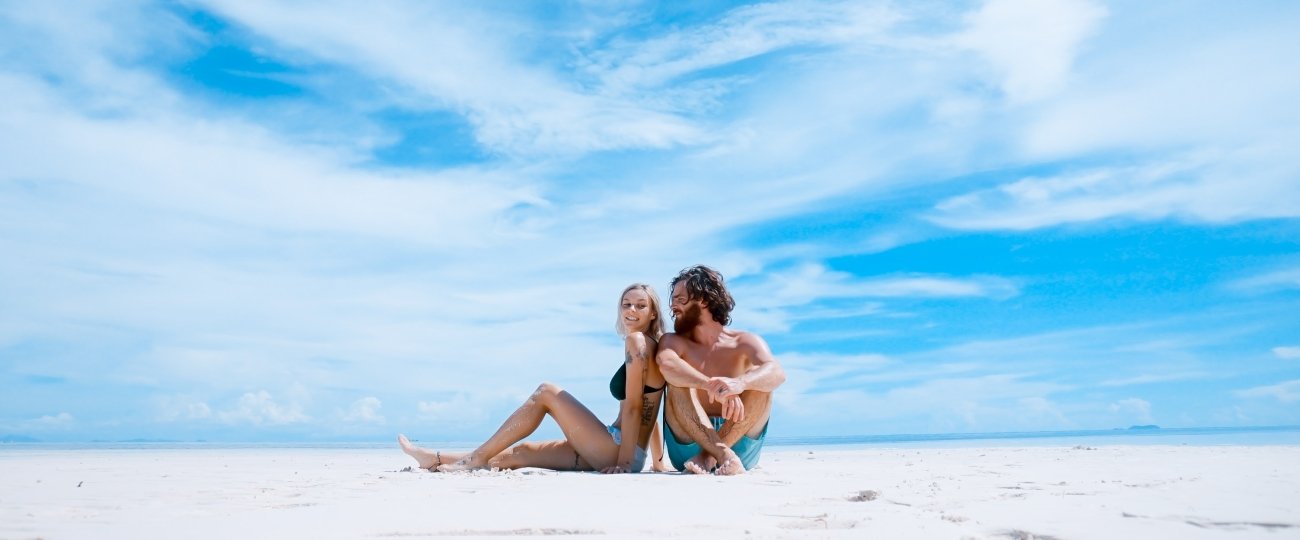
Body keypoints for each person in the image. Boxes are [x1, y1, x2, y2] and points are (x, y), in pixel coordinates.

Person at [398, 283, 673, 473]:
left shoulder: (637, 342)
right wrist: (655, 461)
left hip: (616, 450)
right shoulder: (652, 345)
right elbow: (651, 404)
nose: (631, 311)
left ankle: (475, 458)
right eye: (627, 304)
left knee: (547, 392)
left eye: (640, 306)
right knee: (523, 453)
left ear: (653, 313)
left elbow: (637, 408)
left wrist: (626, 463)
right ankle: (432, 458)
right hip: (620, 447)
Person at [655, 265, 786, 475]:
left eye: (680, 299)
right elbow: (667, 365)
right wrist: (713, 386)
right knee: (678, 382)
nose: (672, 306)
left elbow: (777, 372)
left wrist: (740, 383)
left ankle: (709, 456)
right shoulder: (673, 341)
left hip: (738, 441)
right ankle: (720, 454)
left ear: (704, 301)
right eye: (673, 299)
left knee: (762, 383)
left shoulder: (744, 341)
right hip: (688, 442)